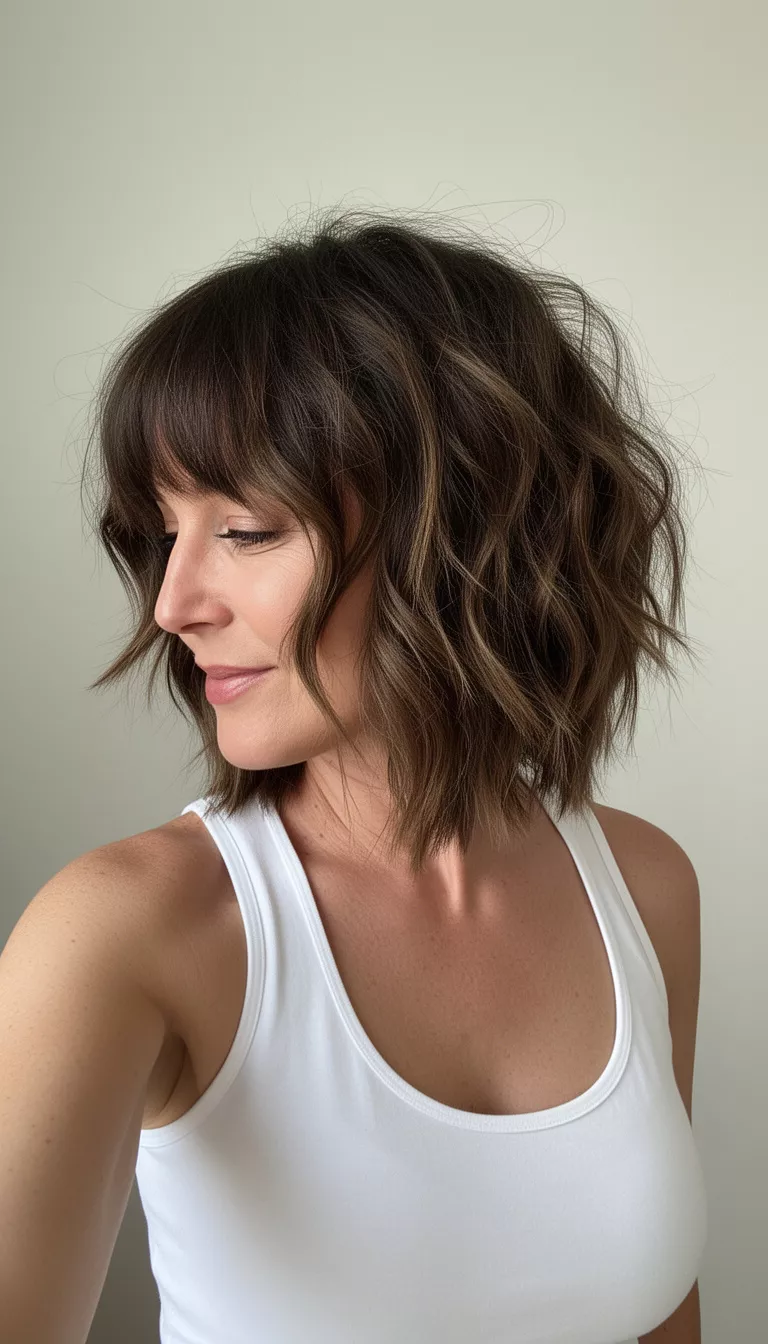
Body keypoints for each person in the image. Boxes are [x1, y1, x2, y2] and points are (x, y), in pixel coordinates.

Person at [0, 207, 708, 1343]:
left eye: (247, 529)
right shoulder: (127, 935)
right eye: (160, 530)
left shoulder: (648, 889)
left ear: (470, 528)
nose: (174, 602)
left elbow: (661, 1313)